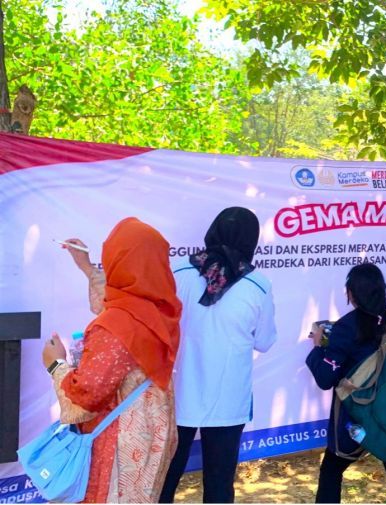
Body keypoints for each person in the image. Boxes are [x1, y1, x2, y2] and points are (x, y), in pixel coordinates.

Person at [64, 207, 278, 503]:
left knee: (162, 481)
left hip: (177, 393)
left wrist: (88, 268)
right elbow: (265, 341)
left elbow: (128, 306)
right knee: (219, 485)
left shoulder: (176, 271)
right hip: (227, 399)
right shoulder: (258, 286)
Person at [44, 217, 181, 502]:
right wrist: (86, 266)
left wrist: (56, 364)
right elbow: (114, 300)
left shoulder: (116, 327)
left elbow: (87, 397)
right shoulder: (160, 306)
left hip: (120, 442)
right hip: (153, 432)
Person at [306, 263, 386, 503]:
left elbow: (325, 379)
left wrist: (319, 348)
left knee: (332, 469)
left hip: (358, 417)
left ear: (351, 294)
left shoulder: (345, 327)